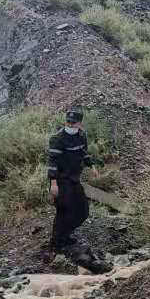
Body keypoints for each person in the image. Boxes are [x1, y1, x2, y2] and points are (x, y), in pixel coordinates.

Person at [47, 107, 92, 253]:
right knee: (63, 210)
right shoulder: (57, 138)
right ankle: (56, 243)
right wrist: (53, 184)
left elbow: (84, 153)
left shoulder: (81, 135)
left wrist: (92, 166)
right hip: (60, 180)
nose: (70, 125)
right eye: (68, 122)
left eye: (74, 123)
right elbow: (52, 163)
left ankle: (65, 235)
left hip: (74, 179)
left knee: (82, 211)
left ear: (80, 124)